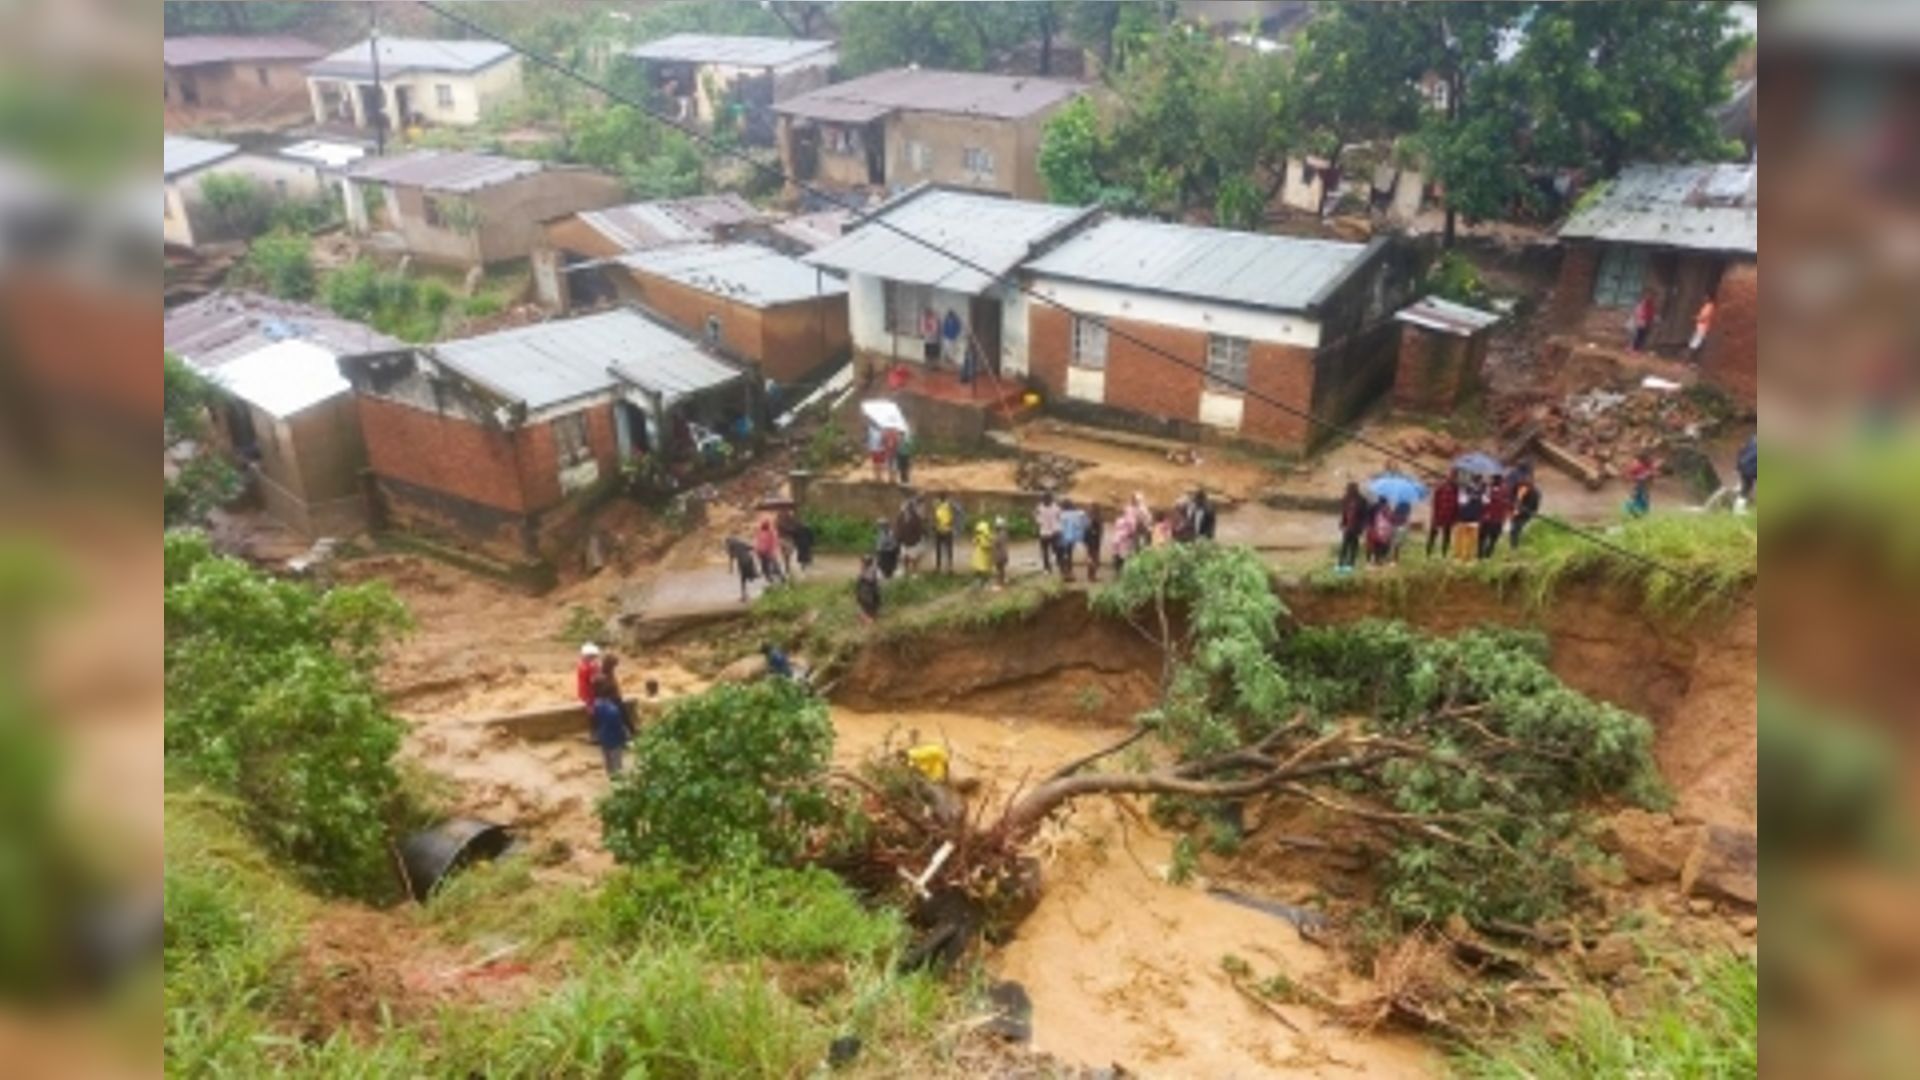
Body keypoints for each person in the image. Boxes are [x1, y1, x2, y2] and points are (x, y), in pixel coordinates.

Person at [590, 684, 633, 779]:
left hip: (603, 737)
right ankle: (618, 781)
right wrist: (625, 739)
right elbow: (618, 727)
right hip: (614, 740)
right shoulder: (613, 710)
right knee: (616, 762)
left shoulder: (597, 704)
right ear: (611, 694)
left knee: (608, 760)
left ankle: (611, 777)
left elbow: (595, 720)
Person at [1337, 482, 1367, 572]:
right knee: (1350, 545)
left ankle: (1344, 564)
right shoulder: (1358, 499)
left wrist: (1342, 523)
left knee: (1348, 545)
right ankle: (1346, 564)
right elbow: (1344, 513)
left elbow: (1344, 513)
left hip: (1351, 526)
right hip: (1353, 527)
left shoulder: (1349, 499)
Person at [1427, 473, 1459, 557]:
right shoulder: (1440, 489)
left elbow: (1456, 505)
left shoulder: (1456, 490)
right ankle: (1428, 552)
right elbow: (1435, 503)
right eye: (1447, 478)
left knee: (1446, 535)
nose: (1449, 480)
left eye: (1452, 478)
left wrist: (1455, 518)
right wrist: (1434, 515)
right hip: (1439, 514)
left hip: (1449, 516)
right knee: (1433, 534)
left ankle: (1444, 553)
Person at [1056, 499, 1088, 582]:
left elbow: (1057, 526)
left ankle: (1064, 573)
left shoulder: (1061, 515)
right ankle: (1069, 573)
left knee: (1062, 556)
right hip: (1072, 539)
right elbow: (1086, 524)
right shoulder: (1079, 514)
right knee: (1068, 555)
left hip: (1061, 538)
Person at [895, 497, 926, 577]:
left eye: (908, 508)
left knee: (914, 559)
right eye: (906, 508)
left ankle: (914, 572)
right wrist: (898, 538)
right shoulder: (900, 517)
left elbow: (919, 530)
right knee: (904, 558)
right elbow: (898, 528)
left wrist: (917, 539)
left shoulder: (916, 518)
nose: (906, 510)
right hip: (904, 542)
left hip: (913, 542)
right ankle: (906, 571)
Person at [1479, 477, 1510, 559]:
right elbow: (1506, 506)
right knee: (1492, 539)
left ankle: (1481, 555)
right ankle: (1487, 555)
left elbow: (1484, 503)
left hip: (1488, 518)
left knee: (1483, 538)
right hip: (1497, 519)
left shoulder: (1488, 490)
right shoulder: (1505, 490)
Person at [1453, 481, 1484, 562]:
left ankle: (1461, 558)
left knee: (1462, 541)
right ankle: (1467, 558)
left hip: (1465, 521)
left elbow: (1459, 505)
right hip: (1473, 522)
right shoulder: (1481, 497)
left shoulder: (1463, 497)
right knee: (1471, 542)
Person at [931, 492, 962, 573]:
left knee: (948, 549)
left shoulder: (949, 504)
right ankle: (938, 567)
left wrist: (953, 522)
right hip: (939, 530)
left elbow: (958, 510)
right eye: (940, 496)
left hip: (947, 530)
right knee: (939, 550)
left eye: (942, 496)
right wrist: (934, 523)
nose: (941, 498)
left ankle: (950, 567)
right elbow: (934, 516)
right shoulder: (937, 505)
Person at [1510, 471, 1542, 549]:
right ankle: (1513, 543)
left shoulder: (1534, 494)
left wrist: (1519, 510)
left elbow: (1530, 507)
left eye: (1523, 488)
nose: (1521, 490)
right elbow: (1511, 497)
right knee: (1513, 527)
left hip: (1528, 512)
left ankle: (1514, 547)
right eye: (1520, 488)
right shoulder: (1517, 487)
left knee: (1516, 528)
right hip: (1517, 509)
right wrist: (1518, 498)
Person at [725, 535, 758, 601]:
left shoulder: (731, 547)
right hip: (749, 560)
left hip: (742, 562)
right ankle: (746, 594)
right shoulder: (742, 543)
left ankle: (744, 596)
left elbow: (731, 558)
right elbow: (752, 548)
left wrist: (731, 568)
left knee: (743, 579)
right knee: (750, 577)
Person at [753, 516, 786, 585]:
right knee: (764, 566)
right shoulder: (760, 531)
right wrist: (757, 550)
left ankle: (781, 577)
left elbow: (774, 542)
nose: (764, 524)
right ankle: (769, 579)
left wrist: (773, 551)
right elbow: (758, 541)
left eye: (765, 523)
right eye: (763, 523)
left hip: (769, 552)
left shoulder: (772, 532)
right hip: (761, 552)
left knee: (775, 565)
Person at [1035, 492, 1061, 572]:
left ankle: (1047, 568)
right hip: (1055, 532)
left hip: (1044, 533)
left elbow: (1037, 519)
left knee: (1045, 551)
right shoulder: (1056, 507)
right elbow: (1059, 517)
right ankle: (1057, 563)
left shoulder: (1040, 507)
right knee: (1056, 549)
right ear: (1052, 499)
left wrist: (1040, 522)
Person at [1625, 452, 1656, 517]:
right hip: (1638, 484)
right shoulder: (1637, 466)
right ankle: (1634, 512)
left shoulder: (1649, 465)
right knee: (1636, 498)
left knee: (1644, 499)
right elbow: (1628, 475)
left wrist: (1649, 475)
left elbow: (1652, 474)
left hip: (1644, 485)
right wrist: (1638, 477)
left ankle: (1642, 513)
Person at [1366, 496, 1395, 565]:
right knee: (1380, 544)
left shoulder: (1374, 507)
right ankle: (1378, 559)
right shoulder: (1386, 508)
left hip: (1373, 528)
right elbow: (1390, 518)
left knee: (1373, 545)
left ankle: (1371, 560)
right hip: (1380, 529)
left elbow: (1368, 516)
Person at [1110, 503, 1136, 576]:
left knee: (1117, 556)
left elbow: (1116, 528)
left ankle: (1117, 572)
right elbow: (1132, 532)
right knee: (1123, 558)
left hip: (1117, 540)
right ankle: (1120, 573)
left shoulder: (1119, 520)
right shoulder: (1131, 521)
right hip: (1124, 542)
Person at [575, 642, 601, 715]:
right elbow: (592, 680)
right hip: (590, 693)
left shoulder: (581, 665)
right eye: (593, 656)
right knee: (592, 711)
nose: (594, 658)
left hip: (584, 692)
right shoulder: (590, 666)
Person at [854, 556, 882, 623]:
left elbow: (863, 588)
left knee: (865, 616)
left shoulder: (866, 575)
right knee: (864, 614)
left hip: (868, 599)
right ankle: (870, 619)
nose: (861, 565)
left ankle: (869, 622)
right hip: (871, 599)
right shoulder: (871, 572)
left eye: (862, 563)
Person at [1084, 505, 1105, 583]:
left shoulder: (1090, 518)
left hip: (1092, 541)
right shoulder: (1095, 519)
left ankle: (1091, 575)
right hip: (1093, 542)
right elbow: (1098, 531)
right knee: (1094, 559)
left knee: (1092, 558)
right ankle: (1092, 576)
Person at [970, 518, 994, 586]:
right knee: (982, 570)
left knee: (982, 570)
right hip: (982, 557)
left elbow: (974, 543)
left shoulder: (983, 537)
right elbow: (986, 545)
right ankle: (981, 581)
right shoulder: (983, 537)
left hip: (982, 557)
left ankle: (981, 581)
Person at [1735, 435, 1757, 510]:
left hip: (1744, 468)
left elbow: (1741, 452)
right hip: (1751, 468)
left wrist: (1737, 468)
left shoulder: (1751, 441)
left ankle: (1738, 510)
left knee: (1746, 488)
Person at [991, 517, 1011, 588]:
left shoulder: (999, 535)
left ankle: (999, 584)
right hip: (1004, 554)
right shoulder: (1004, 533)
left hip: (999, 555)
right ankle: (1003, 580)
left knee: (999, 569)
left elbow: (995, 543)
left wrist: (992, 539)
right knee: (1002, 569)